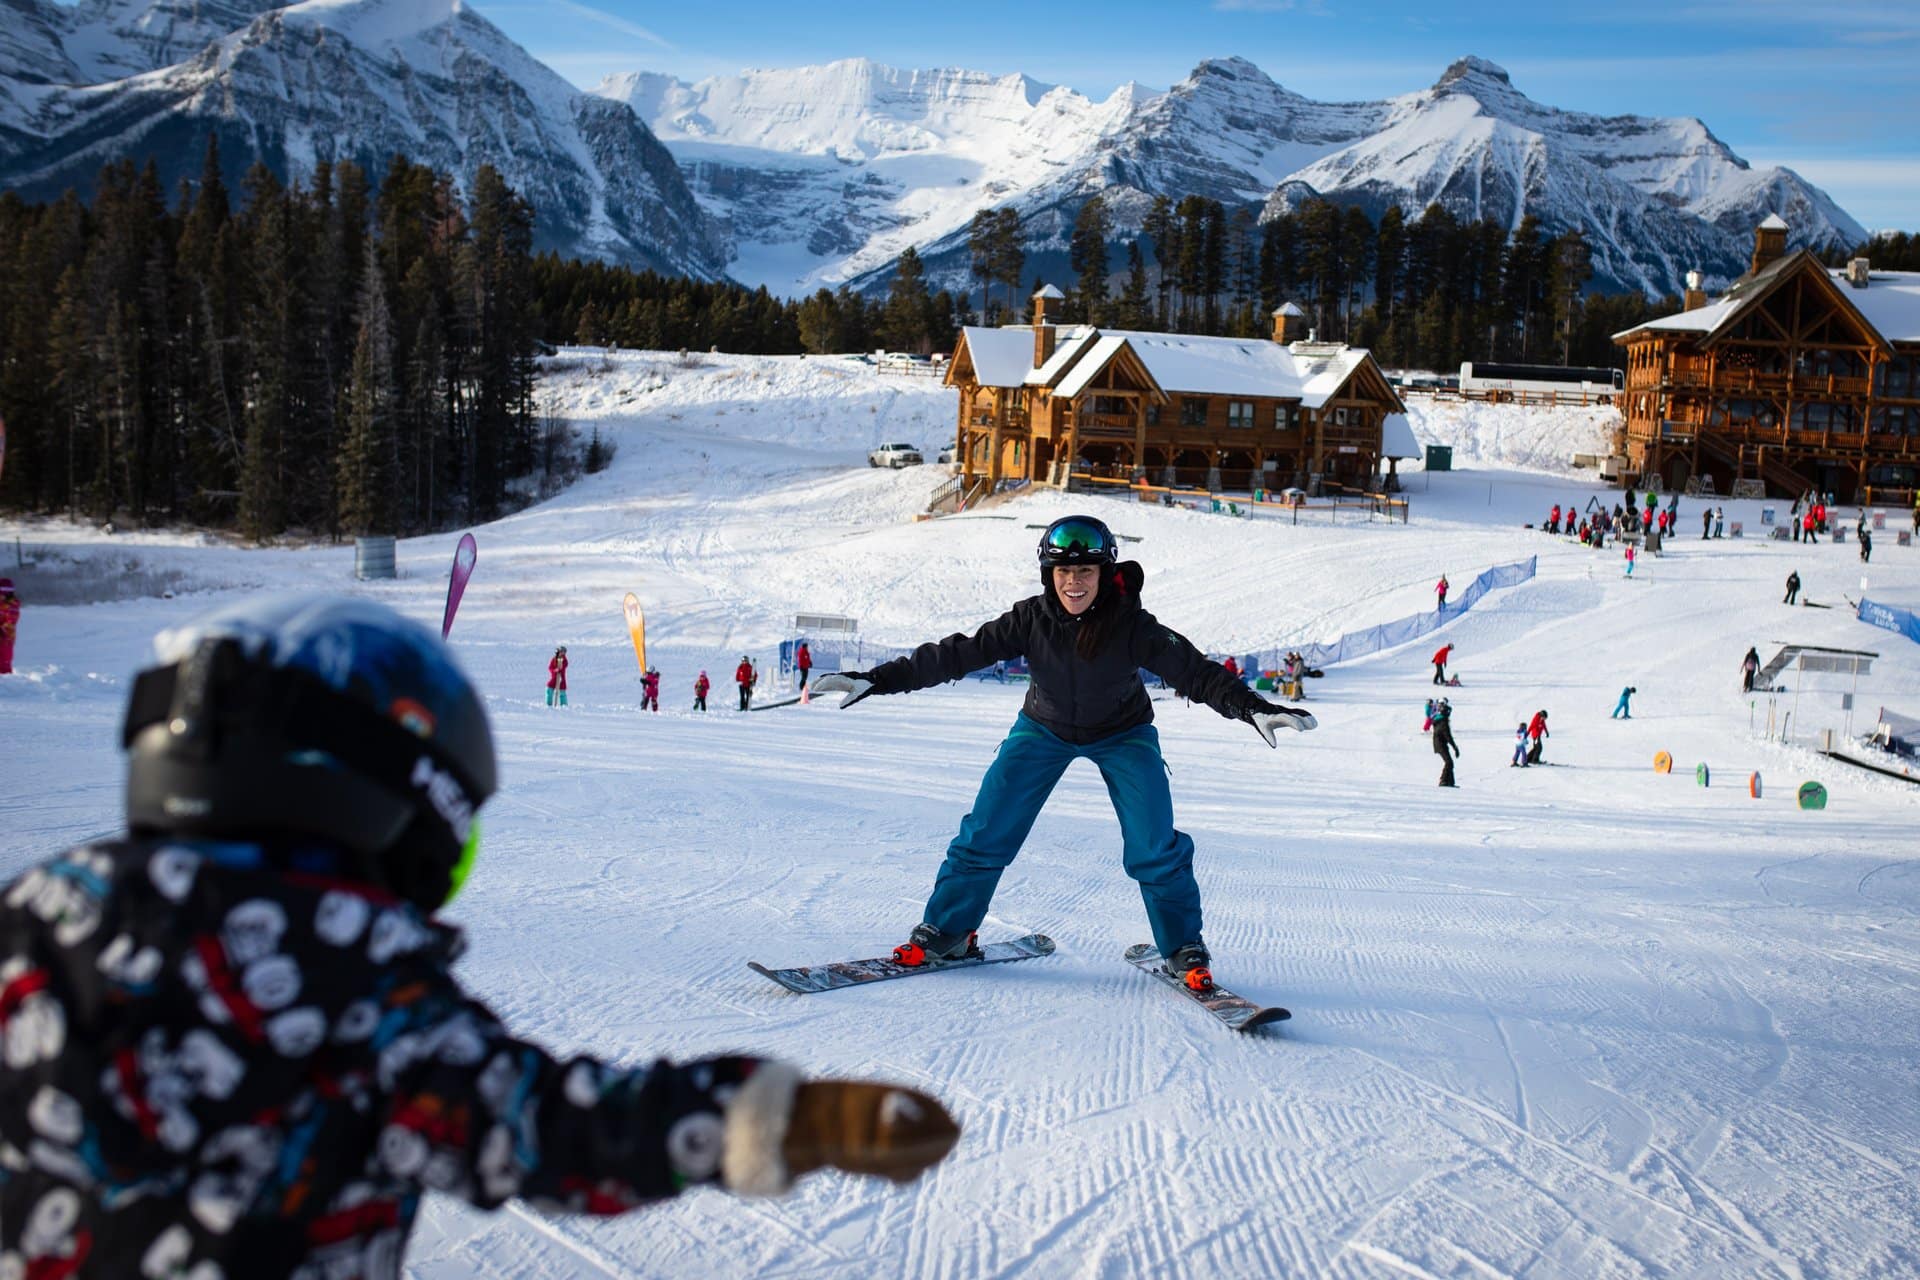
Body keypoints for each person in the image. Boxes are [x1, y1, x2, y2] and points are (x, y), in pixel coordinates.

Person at [0, 596, 959, 1279]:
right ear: (404, 806)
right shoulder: (346, 975)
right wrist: (785, 1117)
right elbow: (547, 1131)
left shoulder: (35, 913)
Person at [810, 515, 1316, 994]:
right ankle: (948, 932)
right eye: (1064, 571)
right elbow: (954, 654)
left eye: (1086, 571)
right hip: (1043, 729)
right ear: (1050, 574)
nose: (1074, 582)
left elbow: (1195, 671)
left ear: (1104, 573)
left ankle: (1183, 947)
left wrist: (1251, 708)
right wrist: (876, 680)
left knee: (1154, 844)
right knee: (986, 830)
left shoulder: (1132, 625)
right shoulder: (1030, 619)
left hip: (1123, 734)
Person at [1432, 699, 1460, 787]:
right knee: (1449, 762)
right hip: (1440, 744)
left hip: (1439, 744)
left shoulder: (1440, 720)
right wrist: (1455, 748)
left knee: (1450, 762)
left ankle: (1450, 782)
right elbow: (1448, 737)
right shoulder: (1443, 722)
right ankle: (1443, 780)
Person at [0, 577, 17, 675]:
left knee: (4, 662)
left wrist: (3, 630)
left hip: (6, 639)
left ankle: (7, 682)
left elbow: (11, 620)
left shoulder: (12, 605)